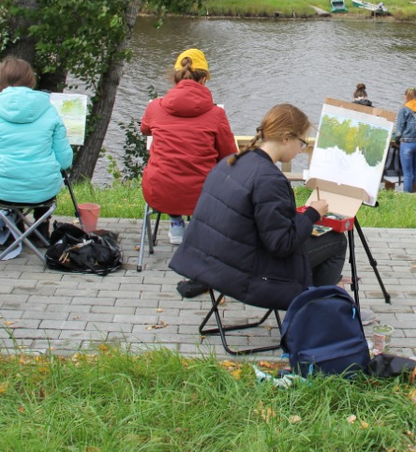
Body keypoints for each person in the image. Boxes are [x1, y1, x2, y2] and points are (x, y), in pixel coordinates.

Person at [169, 104, 347, 309]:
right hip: (245, 273)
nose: (301, 149)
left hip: (211, 264)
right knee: (337, 241)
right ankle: (314, 312)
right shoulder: (270, 179)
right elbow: (282, 245)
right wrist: (311, 214)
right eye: (302, 142)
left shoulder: (230, 161)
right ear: (286, 138)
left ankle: (313, 300)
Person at [140, 48, 236, 245]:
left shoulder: (155, 107)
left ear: (176, 78)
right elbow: (229, 154)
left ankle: (176, 224)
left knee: (169, 176)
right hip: (202, 194)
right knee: (207, 179)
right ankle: (200, 227)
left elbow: (145, 129)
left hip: (158, 191)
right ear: (203, 80)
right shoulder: (216, 114)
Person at [0, 57, 73, 241]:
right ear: (30, 79)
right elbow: (65, 161)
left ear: (0, 79)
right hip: (44, 188)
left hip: (3, 189)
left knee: (12, 182)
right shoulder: (49, 110)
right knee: (42, 177)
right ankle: (41, 227)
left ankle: (14, 227)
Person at [393, 87, 416, 193]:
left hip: (407, 144)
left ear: (406, 97)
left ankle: (407, 198)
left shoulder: (404, 110)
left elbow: (399, 131)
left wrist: (397, 140)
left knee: (408, 174)